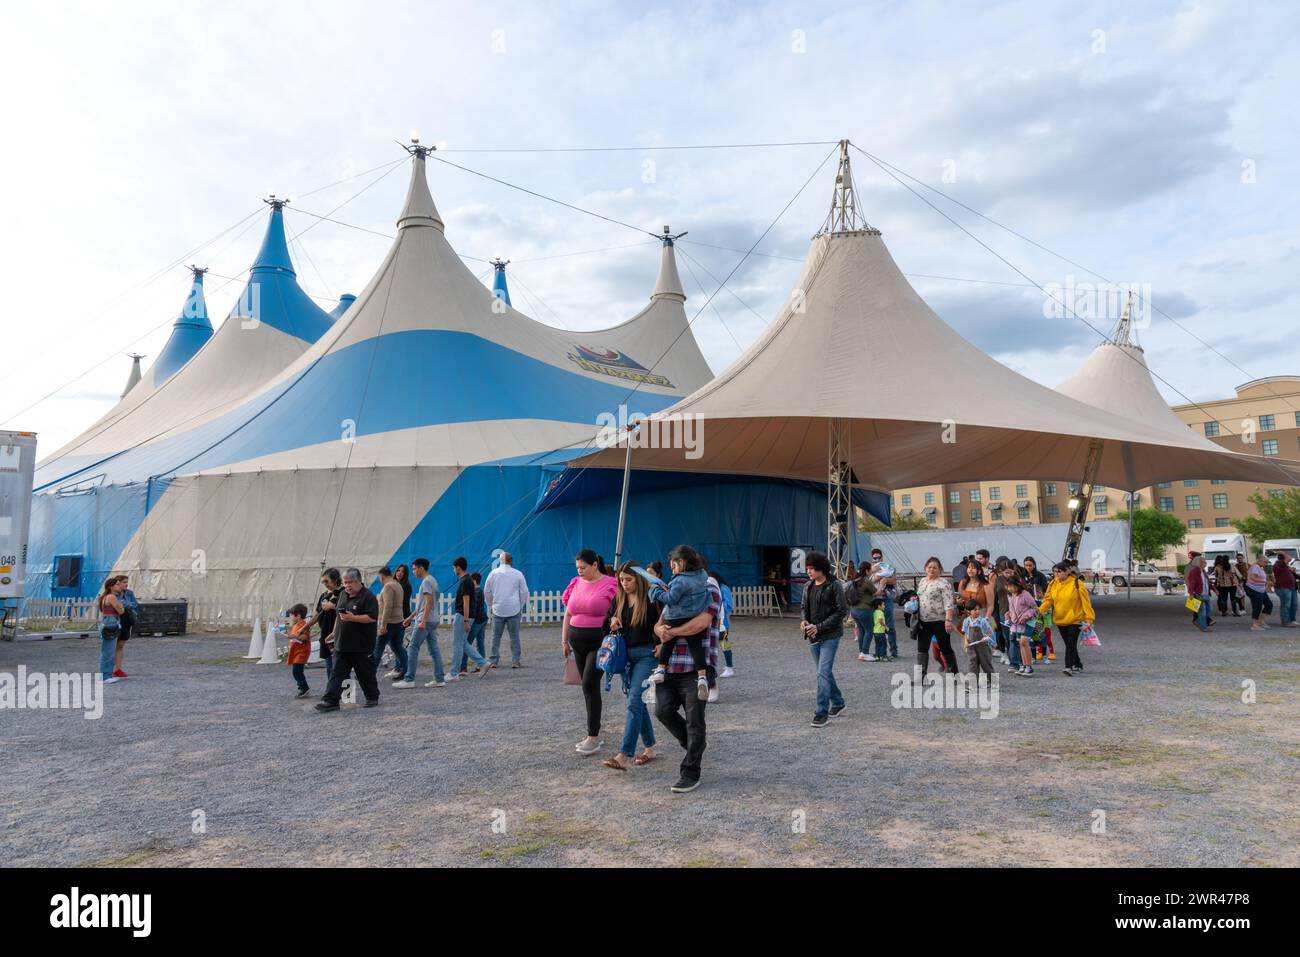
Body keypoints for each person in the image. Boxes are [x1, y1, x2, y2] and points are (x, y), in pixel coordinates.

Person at [651, 570, 722, 793]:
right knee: (663, 711)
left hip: (697, 668)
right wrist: (660, 629)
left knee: (694, 720)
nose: (675, 569)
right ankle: (695, 745)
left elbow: (700, 624)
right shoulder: (675, 589)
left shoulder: (709, 589)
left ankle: (690, 772)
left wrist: (672, 632)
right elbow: (659, 623)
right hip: (670, 666)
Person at [601, 561, 661, 771]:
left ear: (639, 579)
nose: (624, 584)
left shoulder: (652, 599)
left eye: (628, 580)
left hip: (647, 656)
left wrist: (662, 646)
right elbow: (604, 625)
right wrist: (612, 622)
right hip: (624, 657)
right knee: (637, 703)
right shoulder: (619, 598)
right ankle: (650, 748)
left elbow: (667, 623)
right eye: (621, 580)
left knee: (635, 700)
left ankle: (624, 754)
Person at [561, 549, 619, 755]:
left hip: (600, 641)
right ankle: (592, 730)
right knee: (587, 688)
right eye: (577, 568)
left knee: (589, 683)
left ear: (595, 565)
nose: (580, 571)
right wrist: (564, 640)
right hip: (577, 641)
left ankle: (593, 736)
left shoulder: (611, 584)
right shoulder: (575, 583)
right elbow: (568, 612)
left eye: (583, 567)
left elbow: (619, 610)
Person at [646, 545, 712, 701]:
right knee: (696, 647)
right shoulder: (702, 575)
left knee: (668, 640)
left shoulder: (680, 580)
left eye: (673, 566)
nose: (673, 570)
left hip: (676, 617)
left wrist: (655, 591)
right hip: (695, 615)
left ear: (681, 562)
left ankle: (661, 669)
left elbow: (671, 599)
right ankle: (702, 677)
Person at [316, 568, 382, 712]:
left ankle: (372, 697)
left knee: (364, 673)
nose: (347, 586)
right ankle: (331, 701)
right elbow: (340, 616)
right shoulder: (343, 595)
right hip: (342, 643)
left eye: (350, 583)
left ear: (358, 581)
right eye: (345, 583)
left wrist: (353, 618)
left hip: (361, 645)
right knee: (337, 673)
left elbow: (371, 618)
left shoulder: (368, 597)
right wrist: (334, 632)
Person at [801, 551, 847, 728]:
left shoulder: (834, 585)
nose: (809, 572)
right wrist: (804, 620)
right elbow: (804, 607)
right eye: (808, 569)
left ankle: (821, 712)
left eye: (812, 569)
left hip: (830, 635)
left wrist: (819, 626)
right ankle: (838, 702)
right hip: (812, 635)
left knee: (822, 672)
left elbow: (842, 611)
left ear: (822, 569)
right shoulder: (808, 586)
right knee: (824, 672)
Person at [394, 557, 444, 688]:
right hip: (432, 620)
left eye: (415, 568)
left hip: (425, 621)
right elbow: (423, 604)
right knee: (434, 650)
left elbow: (428, 602)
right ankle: (439, 679)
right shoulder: (433, 580)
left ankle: (409, 679)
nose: (414, 571)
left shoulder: (426, 582)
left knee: (413, 648)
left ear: (422, 568)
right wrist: (410, 617)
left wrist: (422, 621)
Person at [1039, 561, 1094, 676]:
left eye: (1059, 571)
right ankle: (1078, 664)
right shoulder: (1053, 584)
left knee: (1070, 644)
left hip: (1075, 619)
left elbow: (1086, 602)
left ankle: (1068, 667)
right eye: (1054, 572)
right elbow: (1048, 600)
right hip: (1060, 619)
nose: (1056, 574)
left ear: (1067, 571)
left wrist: (1089, 619)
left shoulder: (1077, 583)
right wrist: (1038, 611)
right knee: (1069, 644)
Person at [484, 551, 529, 668]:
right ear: (511, 561)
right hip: (513, 608)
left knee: (495, 636)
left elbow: (487, 592)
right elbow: (524, 592)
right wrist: (520, 605)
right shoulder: (518, 574)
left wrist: (491, 604)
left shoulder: (492, 574)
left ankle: (493, 660)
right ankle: (515, 660)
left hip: (498, 608)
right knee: (514, 636)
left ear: (500, 561)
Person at [448, 557, 491, 680]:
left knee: (457, 644)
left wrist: (466, 620)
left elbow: (466, 601)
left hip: (462, 615)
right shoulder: (467, 580)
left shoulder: (465, 581)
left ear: (458, 567)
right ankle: (483, 663)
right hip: (466, 616)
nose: (453, 570)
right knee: (463, 643)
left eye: (454, 568)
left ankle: (454, 673)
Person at [915, 556, 958, 678]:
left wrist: (948, 620)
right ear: (925, 568)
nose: (932, 569)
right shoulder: (922, 581)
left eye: (935, 567)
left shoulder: (943, 583)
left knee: (945, 648)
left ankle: (954, 675)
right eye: (929, 567)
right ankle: (920, 677)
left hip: (939, 621)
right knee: (921, 649)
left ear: (939, 569)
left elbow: (949, 603)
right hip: (923, 621)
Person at [374, 566, 409, 680]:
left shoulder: (388, 586)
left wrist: (383, 625)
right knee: (397, 647)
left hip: (389, 622)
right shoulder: (398, 585)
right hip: (399, 620)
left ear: (381, 576)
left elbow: (388, 606)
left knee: (378, 648)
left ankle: (368, 674)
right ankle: (406, 670)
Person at [308, 569, 342, 681]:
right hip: (326, 634)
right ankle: (331, 689)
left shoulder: (343, 592)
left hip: (339, 633)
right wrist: (305, 627)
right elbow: (318, 614)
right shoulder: (324, 595)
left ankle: (337, 689)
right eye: (323, 582)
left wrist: (332, 606)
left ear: (335, 580)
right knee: (329, 664)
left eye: (327, 581)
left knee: (338, 664)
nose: (325, 584)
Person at [456, 571, 489, 674]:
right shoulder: (480, 591)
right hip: (483, 619)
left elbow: (472, 606)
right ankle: (481, 665)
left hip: (477, 621)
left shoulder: (476, 592)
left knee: (466, 643)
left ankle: (463, 667)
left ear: (474, 581)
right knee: (480, 643)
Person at [868, 547, 899, 659]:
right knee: (877, 625)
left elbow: (894, 580)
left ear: (882, 557)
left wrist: (881, 578)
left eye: (879, 557)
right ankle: (880, 651)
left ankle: (893, 650)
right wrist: (877, 576)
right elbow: (868, 581)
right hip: (875, 599)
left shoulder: (887, 567)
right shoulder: (870, 569)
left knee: (889, 624)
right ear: (871, 558)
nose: (877, 559)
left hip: (886, 598)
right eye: (875, 558)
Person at [1005, 577, 1039, 675]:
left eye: (1011, 586)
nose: (1009, 588)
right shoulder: (1011, 595)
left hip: (1029, 622)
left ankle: (1029, 667)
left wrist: (1025, 616)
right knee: (1021, 643)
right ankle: (1024, 666)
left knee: (1024, 642)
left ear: (1018, 585)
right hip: (1017, 623)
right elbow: (1012, 609)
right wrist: (1008, 614)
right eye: (1008, 586)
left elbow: (1036, 609)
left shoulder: (1025, 594)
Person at [1022, 556, 1053, 661]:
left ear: (1034, 565)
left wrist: (1042, 598)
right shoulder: (1022, 576)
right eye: (1026, 565)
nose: (1028, 567)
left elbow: (1046, 590)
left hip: (1039, 604)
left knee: (1040, 629)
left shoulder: (1040, 576)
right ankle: (1033, 655)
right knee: (1030, 630)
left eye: (1030, 565)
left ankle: (1043, 653)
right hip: (1027, 606)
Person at [96, 576, 125, 685]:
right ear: (111, 587)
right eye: (117, 584)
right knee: (108, 651)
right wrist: (121, 606)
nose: (119, 586)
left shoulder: (106, 597)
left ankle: (105, 674)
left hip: (108, 622)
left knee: (107, 650)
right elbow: (121, 610)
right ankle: (105, 676)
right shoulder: (111, 597)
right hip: (111, 623)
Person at [959, 599, 996, 680]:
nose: (978, 611)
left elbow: (990, 632)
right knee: (972, 665)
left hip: (983, 646)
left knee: (986, 664)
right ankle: (973, 683)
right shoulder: (966, 621)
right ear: (969, 611)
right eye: (975, 609)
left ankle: (992, 681)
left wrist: (985, 637)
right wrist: (965, 642)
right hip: (971, 646)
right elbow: (966, 633)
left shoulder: (982, 621)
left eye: (979, 609)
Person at [847, 562, 876, 661]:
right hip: (864, 609)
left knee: (861, 631)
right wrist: (883, 584)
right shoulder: (866, 581)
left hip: (854, 610)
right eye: (870, 569)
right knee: (869, 631)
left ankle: (861, 652)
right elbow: (876, 592)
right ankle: (865, 652)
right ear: (867, 571)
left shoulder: (855, 579)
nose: (871, 571)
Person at [111, 575, 139, 678]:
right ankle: (108, 669)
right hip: (116, 620)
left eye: (126, 582)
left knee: (121, 645)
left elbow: (135, 604)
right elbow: (116, 605)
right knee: (112, 646)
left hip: (127, 620)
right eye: (123, 582)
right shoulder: (113, 595)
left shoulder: (129, 593)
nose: (126, 584)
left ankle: (117, 669)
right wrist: (125, 604)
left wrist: (124, 603)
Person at [287, 603, 312, 698]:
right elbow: (295, 637)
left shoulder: (304, 625)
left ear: (298, 615)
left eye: (293, 615)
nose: (292, 617)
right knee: (297, 671)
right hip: (296, 651)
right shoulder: (296, 625)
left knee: (296, 671)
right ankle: (301, 687)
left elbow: (305, 637)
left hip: (302, 651)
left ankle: (304, 688)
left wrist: (294, 636)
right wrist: (290, 636)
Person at [1184, 553, 1213, 633]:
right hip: (1198, 594)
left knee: (1209, 610)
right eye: (1204, 562)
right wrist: (1191, 593)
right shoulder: (1194, 572)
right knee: (1202, 612)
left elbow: (1208, 582)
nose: (1206, 563)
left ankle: (1198, 621)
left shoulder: (1203, 571)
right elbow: (1192, 583)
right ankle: (1204, 627)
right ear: (1199, 563)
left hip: (1206, 594)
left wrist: (1214, 589)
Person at [1245, 553, 1274, 631]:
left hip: (1261, 589)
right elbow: (1253, 578)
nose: (1266, 564)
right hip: (1254, 589)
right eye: (1265, 562)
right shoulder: (1255, 567)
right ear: (1261, 561)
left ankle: (1261, 621)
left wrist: (1265, 582)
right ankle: (1255, 625)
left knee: (1269, 604)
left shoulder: (1259, 567)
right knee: (1257, 606)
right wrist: (1265, 582)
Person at [716, 572, 735, 679]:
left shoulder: (723, 588)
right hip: (717, 622)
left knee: (724, 644)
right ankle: (728, 667)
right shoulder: (719, 587)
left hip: (723, 622)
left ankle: (729, 667)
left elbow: (729, 605)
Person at [1271, 552, 1298, 627]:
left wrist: (1292, 572)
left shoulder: (1285, 566)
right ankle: (1285, 622)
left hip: (1291, 587)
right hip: (1284, 588)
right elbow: (1289, 557)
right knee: (1286, 605)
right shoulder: (1279, 564)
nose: (1289, 560)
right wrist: (1280, 551)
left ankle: (1292, 620)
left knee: (1294, 605)